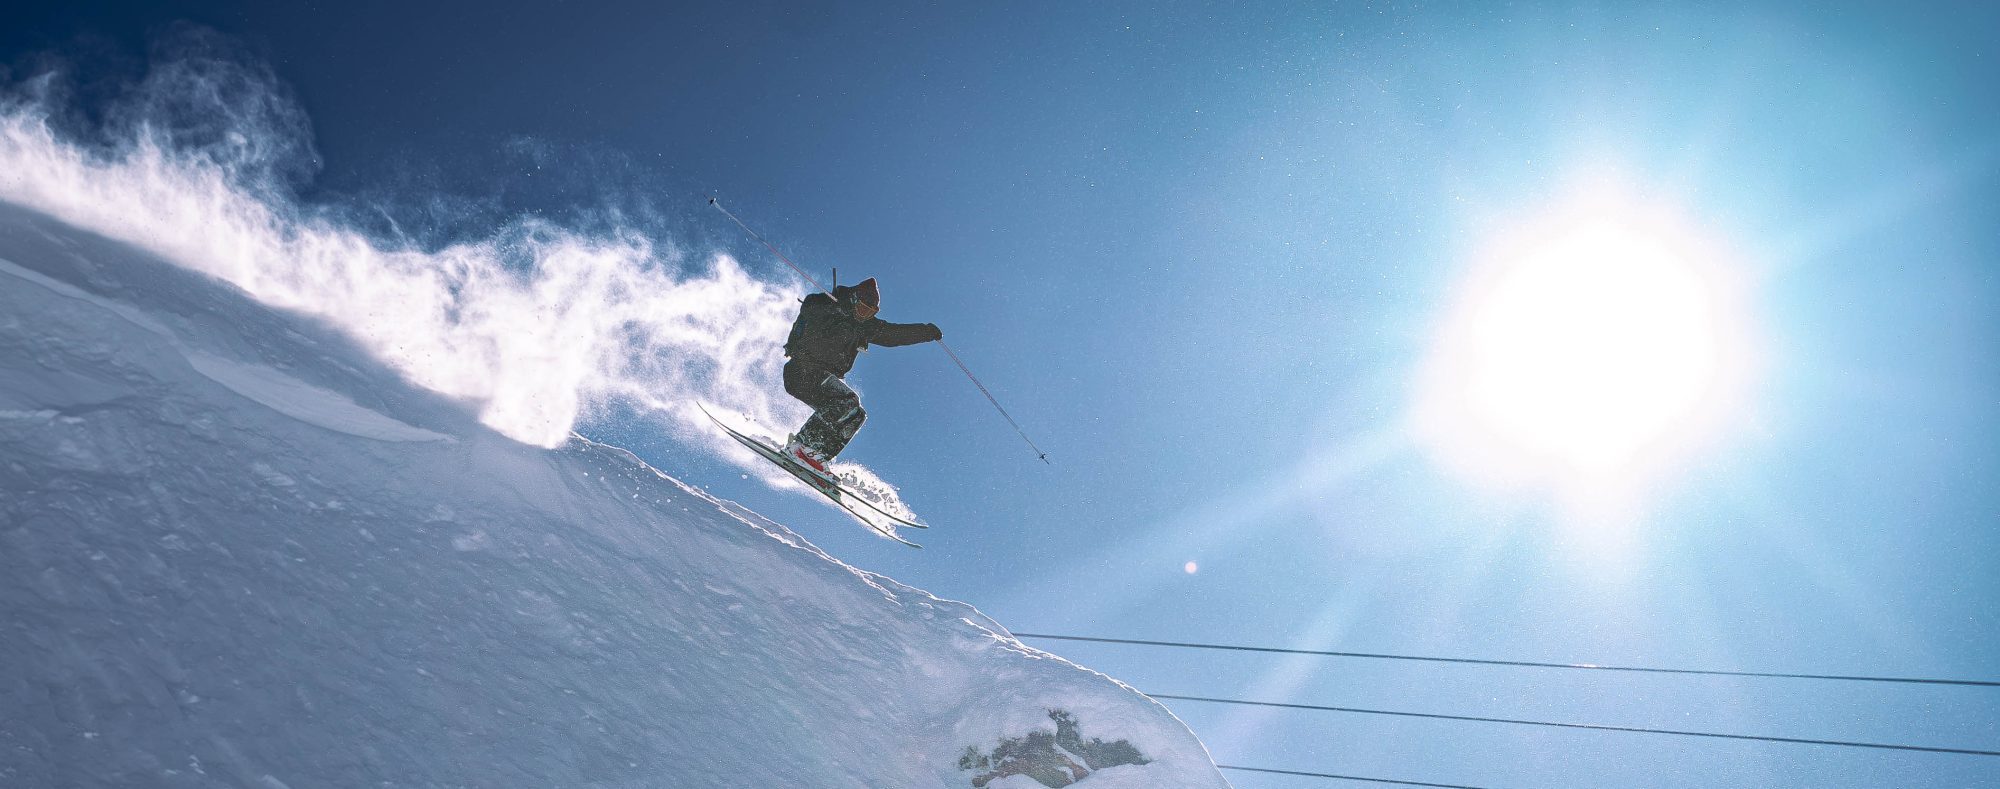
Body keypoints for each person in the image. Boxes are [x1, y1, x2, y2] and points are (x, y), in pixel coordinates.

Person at [779, 277, 941, 478]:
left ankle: (816, 455)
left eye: (870, 313)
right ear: (854, 300)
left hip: (821, 378)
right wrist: (835, 305)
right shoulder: (828, 307)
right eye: (863, 309)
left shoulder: (863, 326)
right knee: (847, 401)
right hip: (801, 370)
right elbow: (811, 305)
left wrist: (926, 332)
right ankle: (802, 446)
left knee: (856, 414)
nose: (864, 316)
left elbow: (894, 334)